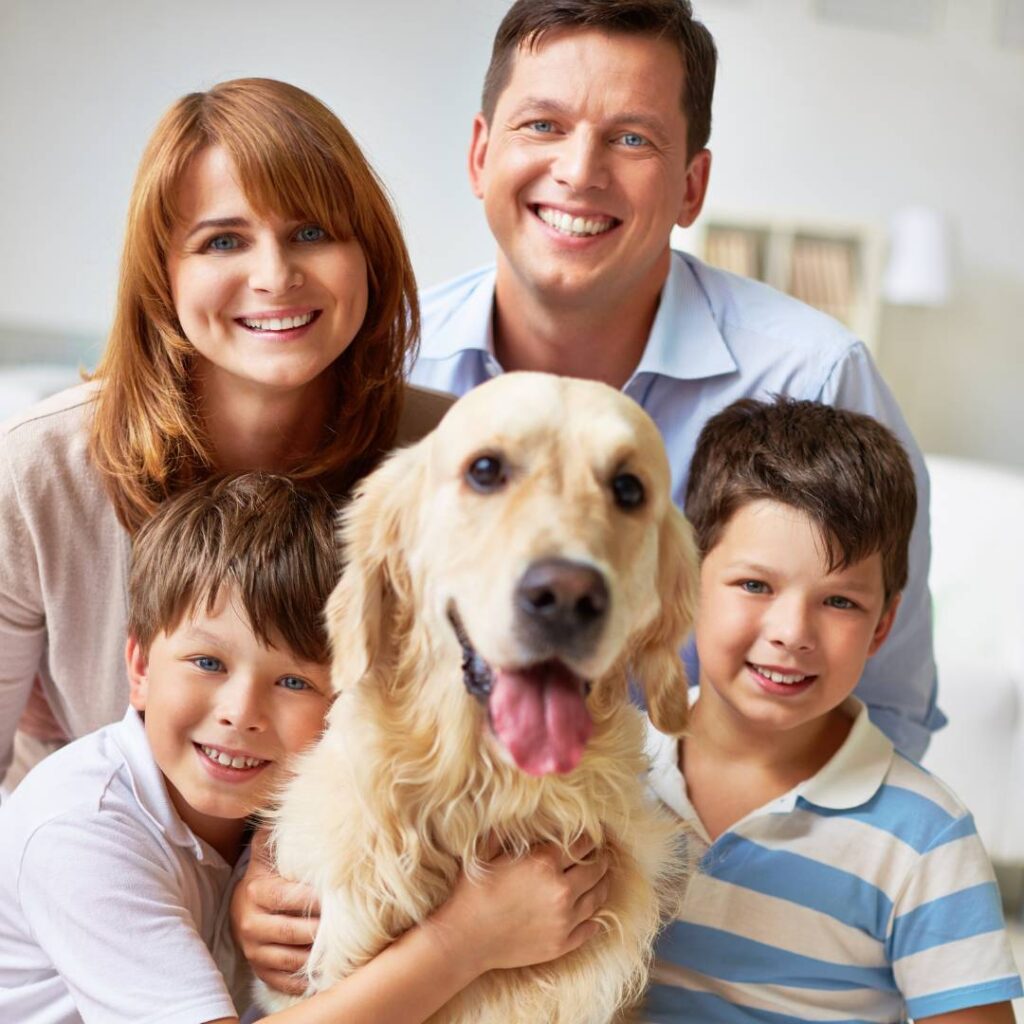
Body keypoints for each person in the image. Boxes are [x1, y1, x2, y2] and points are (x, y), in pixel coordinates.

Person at [408, 0, 942, 762]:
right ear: (479, 154)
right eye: (543, 125)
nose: (580, 171)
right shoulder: (390, 362)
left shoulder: (815, 377)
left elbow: (885, 702)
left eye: (632, 138)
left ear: (693, 185)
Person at [0, 473, 609, 1024]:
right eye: (207, 662)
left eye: (294, 682)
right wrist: (466, 942)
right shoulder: (81, 827)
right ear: (138, 666)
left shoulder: (281, 805)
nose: (241, 713)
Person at [0, 77, 452, 792]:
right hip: (94, 879)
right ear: (163, 273)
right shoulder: (37, 471)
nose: (274, 276)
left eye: (312, 233)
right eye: (223, 241)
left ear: (368, 252)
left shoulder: (453, 459)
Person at [641, 397, 1022, 1022]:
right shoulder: (613, 771)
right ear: (685, 581)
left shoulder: (925, 840)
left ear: (882, 626)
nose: (792, 631)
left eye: (839, 601)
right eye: (755, 585)